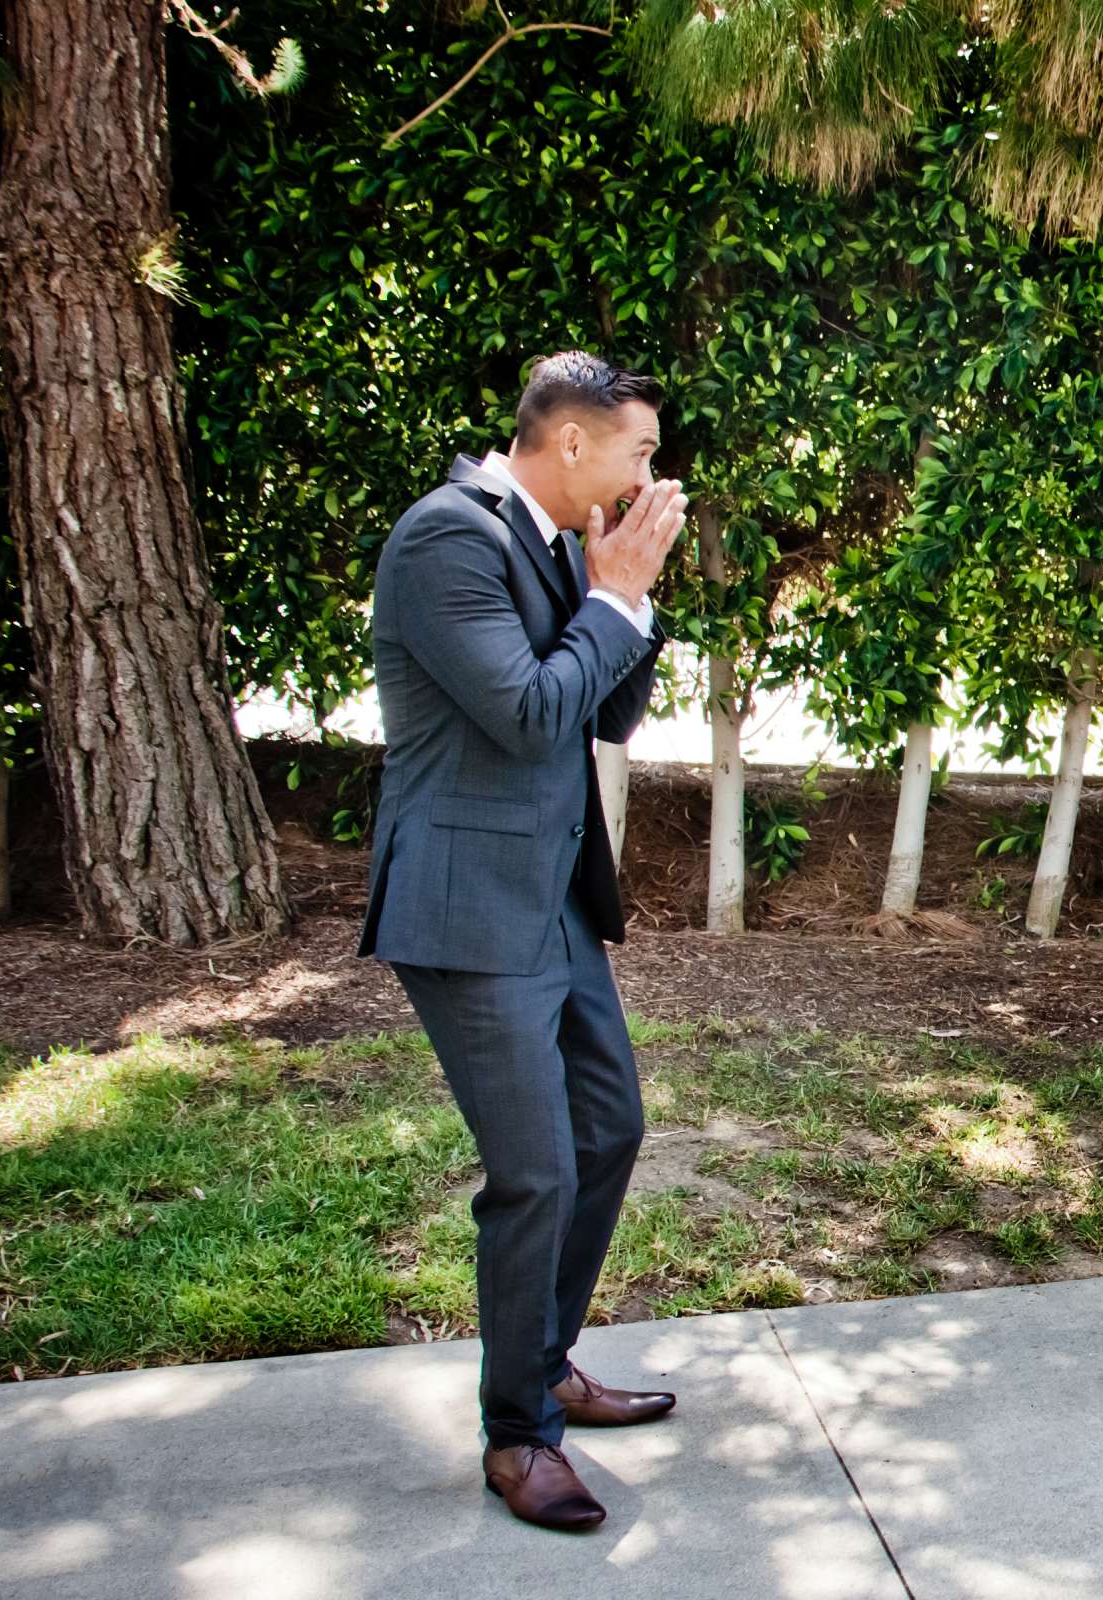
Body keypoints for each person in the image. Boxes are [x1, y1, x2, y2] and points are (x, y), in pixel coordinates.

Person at [359, 351, 686, 1528]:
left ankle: (544, 1360)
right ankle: (518, 1436)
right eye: (640, 448)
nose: (654, 469)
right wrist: (611, 598)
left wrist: (628, 599)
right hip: (465, 904)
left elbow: (600, 709)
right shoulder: (448, 537)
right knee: (535, 1169)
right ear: (570, 445)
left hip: (549, 897)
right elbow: (529, 708)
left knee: (610, 1126)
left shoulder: (555, 543)